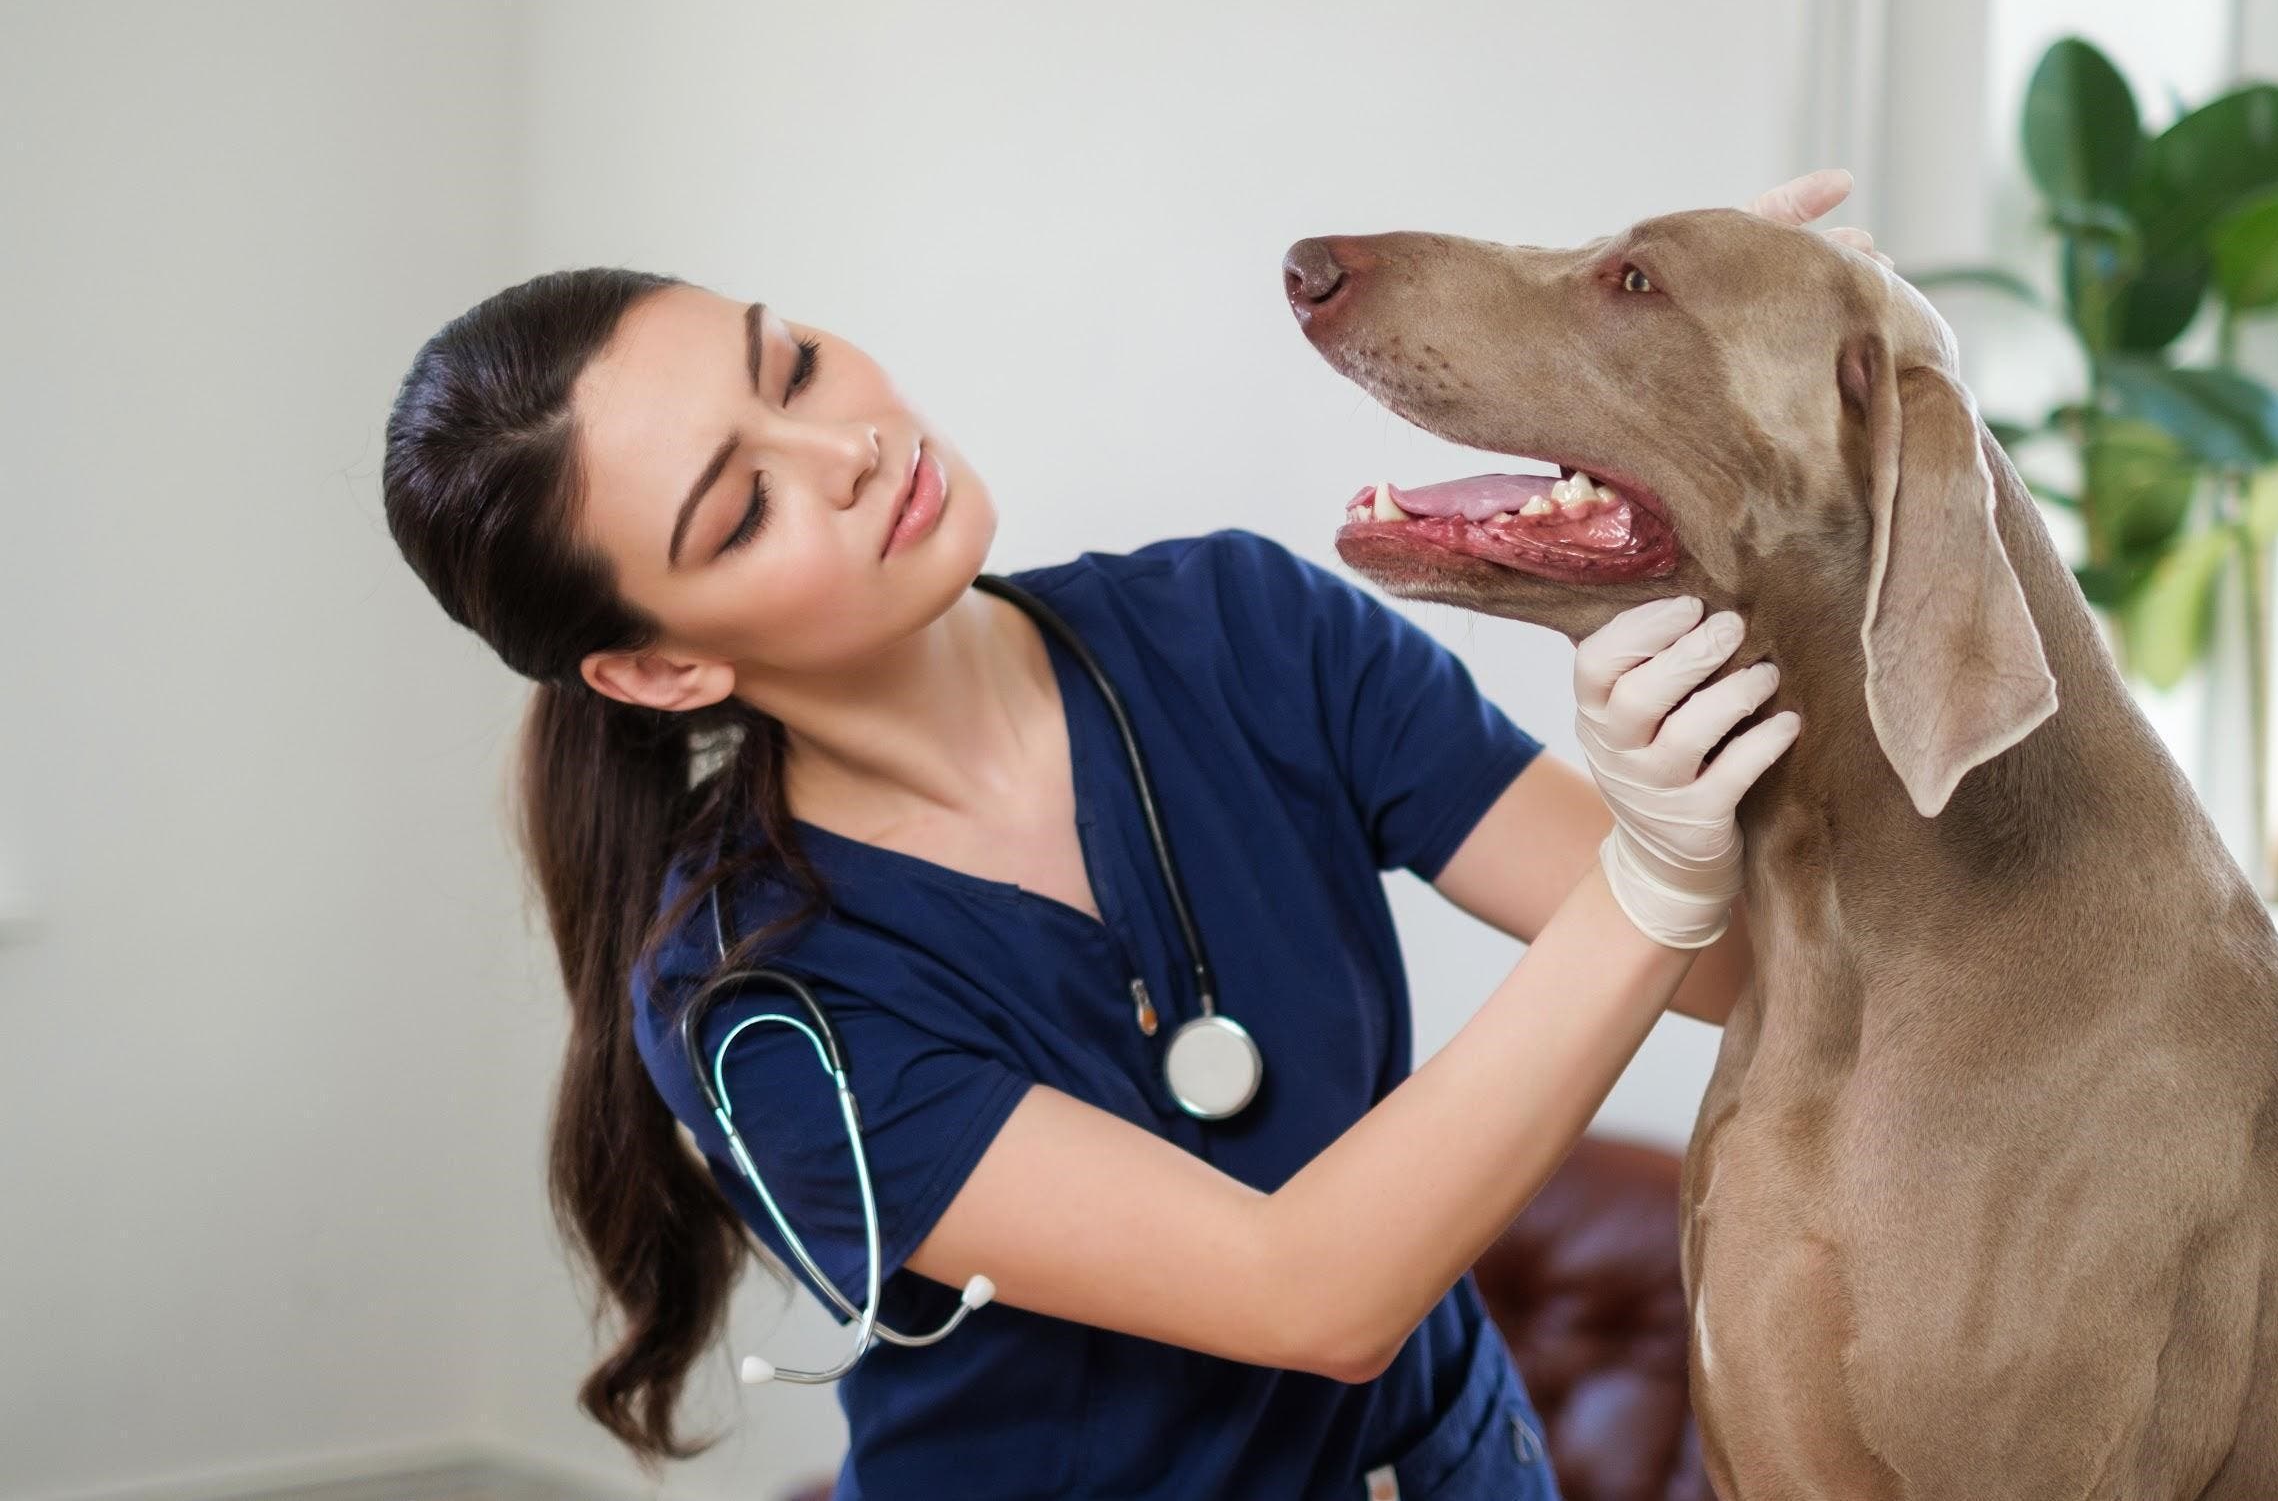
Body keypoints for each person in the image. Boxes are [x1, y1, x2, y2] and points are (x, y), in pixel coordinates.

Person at [380, 173, 1867, 1500]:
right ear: (660, 668)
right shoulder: (755, 1004)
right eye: (740, 508)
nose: (838, 446)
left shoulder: (1239, 629)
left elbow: (1750, 968)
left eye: (798, 366)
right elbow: (1315, 1298)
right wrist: (1652, 874)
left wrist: (1717, 422)